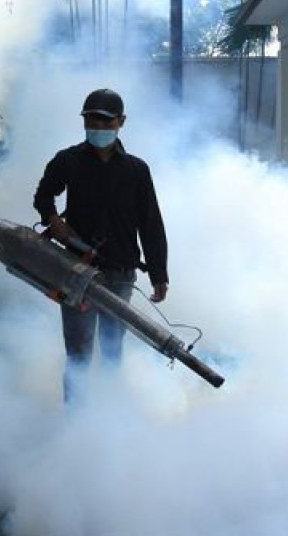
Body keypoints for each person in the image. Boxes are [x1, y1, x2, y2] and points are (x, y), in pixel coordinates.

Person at [34, 88, 169, 403]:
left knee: (111, 352)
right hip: (76, 269)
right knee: (78, 353)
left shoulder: (136, 170)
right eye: (92, 120)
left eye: (106, 122)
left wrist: (159, 273)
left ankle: (107, 423)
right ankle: (75, 425)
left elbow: (150, 224)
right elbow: (43, 195)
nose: (98, 127)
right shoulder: (67, 161)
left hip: (120, 272)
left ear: (121, 122)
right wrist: (52, 219)